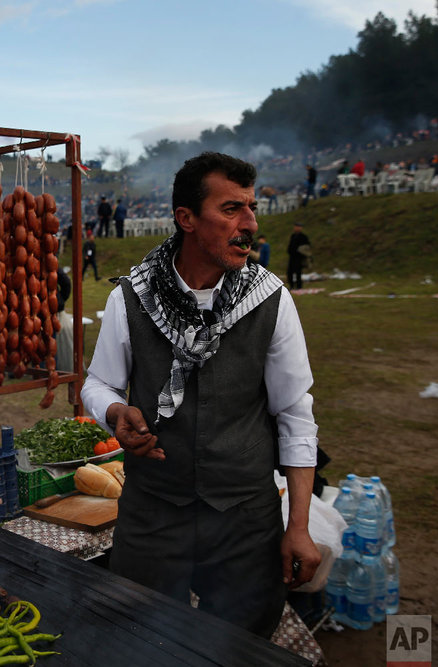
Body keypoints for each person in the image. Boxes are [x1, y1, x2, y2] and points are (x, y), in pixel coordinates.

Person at [81, 152, 321, 639]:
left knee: (241, 646)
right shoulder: (132, 297)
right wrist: (113, 410)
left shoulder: (269, 299)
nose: (249, 224)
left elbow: (295, 414)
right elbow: (97, 384)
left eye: (251, 208)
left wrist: (298, 525)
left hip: (244, 519)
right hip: (153, 511)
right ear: (186, 219)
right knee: (142, 640)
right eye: (232, 209)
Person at [54, 268, 74, 373]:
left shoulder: (51, 263)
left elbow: (66, 282)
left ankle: (51, 369)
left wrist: (59, 300)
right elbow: (66, 281)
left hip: (53, 310)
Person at [286, 222, 310, 290]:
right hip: (292, 257)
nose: (296, 228)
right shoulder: (293, 236)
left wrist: (301, 252)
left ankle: (299, 286)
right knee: (290, 272)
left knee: (298, 272)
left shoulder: (303, 237)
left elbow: (306, 247)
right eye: (296, 226)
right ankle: (291, 286)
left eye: (298, 227)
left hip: (299, 258)